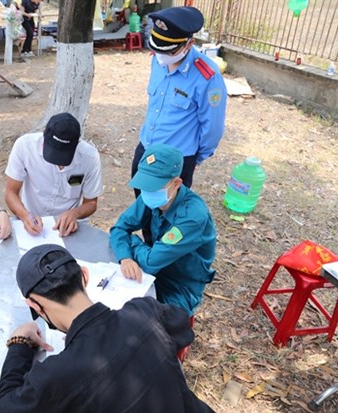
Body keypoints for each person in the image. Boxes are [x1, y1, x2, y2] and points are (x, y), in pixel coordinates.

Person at [0, 244, 214, 413]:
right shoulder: (144, 309)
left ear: (34, 305)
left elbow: (3, 407)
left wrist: (19, 344)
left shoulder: (55, 375)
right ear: (85, 276)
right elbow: (182, 330)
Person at [110, 144, 216, 316]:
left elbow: (150, 263)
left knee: (142, 327)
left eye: (154, 186)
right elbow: (119, 228)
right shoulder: (151, 195)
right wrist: (125, 257)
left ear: (176, 183)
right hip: (148, 272)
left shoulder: (192, 216)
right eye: (145, 185)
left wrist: (133, 242)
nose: (147, 191)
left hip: (179, 286)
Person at [132, 6, 227, 191]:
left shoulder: (207, 77)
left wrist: (193, 159)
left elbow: (213, 128)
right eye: (158, 49)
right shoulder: (158, 59)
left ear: (189, 44)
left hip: (176, 160)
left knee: (167, 215)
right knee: (141, 207)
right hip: (146, 147)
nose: (162, 56)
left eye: (169, 51)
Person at [5, 112, 103, 237]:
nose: (59, 163)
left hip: (69, 227)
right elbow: (11, 193)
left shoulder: (89, 157)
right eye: (54, 151)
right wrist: (25, 216)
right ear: (44, 133)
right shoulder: (25, 146)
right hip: (32, 222)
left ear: (77, 143)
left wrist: (74, 213)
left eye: (65, 154)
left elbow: (91, 203)